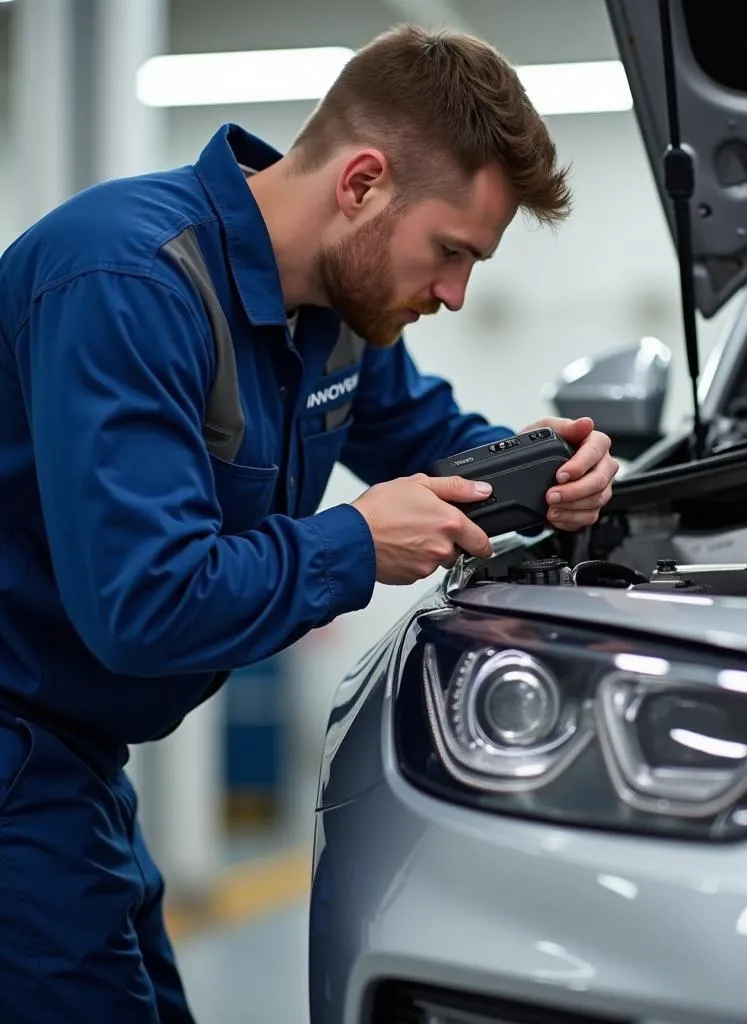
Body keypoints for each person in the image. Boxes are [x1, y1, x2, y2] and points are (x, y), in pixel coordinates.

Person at [0, 22, 618, 1024]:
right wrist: (355, 544)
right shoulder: (127, 282)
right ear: (363, 182)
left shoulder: (336, 314)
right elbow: (144, 603)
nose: (456, 294)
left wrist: (552, 470)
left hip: (75, 760)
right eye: (450, 252)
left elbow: (434, 441)